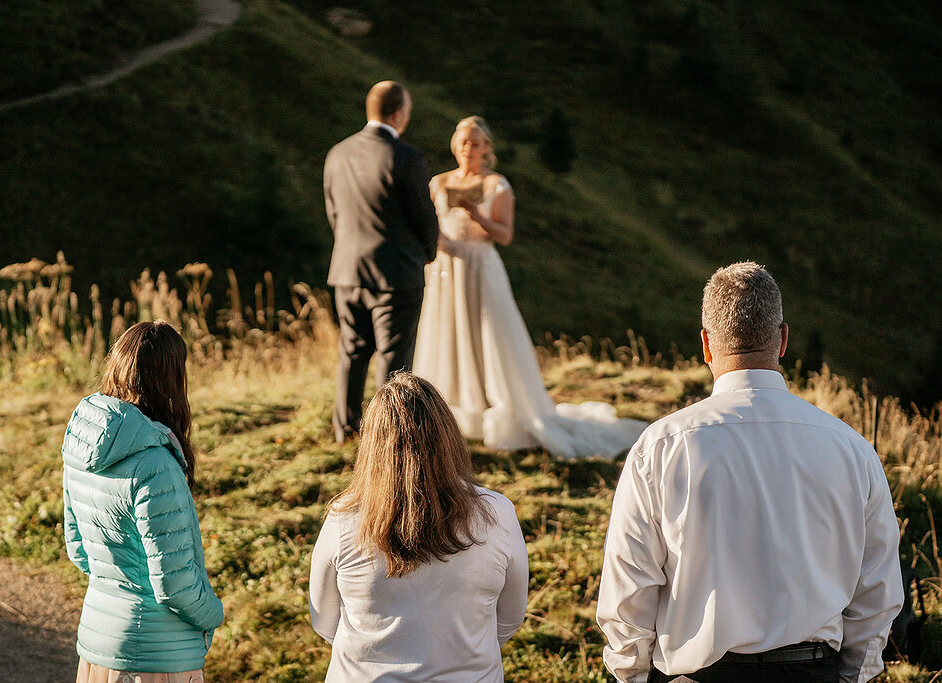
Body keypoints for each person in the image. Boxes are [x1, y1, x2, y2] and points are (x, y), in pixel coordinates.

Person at [595, 262, 903, 683]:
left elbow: (628, 590)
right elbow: (878, 593)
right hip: (813, 673)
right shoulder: (851, 448)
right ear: (783, 340)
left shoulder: (661, 447)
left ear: (706, 345)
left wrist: (630, 676)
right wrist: (852, 677)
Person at [412, 115, 646, 458]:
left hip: (481, 266)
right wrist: (436, 246)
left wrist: (477, 215)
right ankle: (453, 411)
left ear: (486, 148)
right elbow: (430, 223)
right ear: (454, 144)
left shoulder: (497, 185)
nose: (468, 149)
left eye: (475, 143)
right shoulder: (438, 182)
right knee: (448, 336)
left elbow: (505, 235)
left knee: (489, 336)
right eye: (463, 141)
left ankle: (492, 408)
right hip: (447, 268)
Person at [308, 372, 529, 681]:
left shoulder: (343, 519)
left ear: (372, 444)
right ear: (449, 436)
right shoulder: (497, 513)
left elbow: (323, 619)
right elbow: (510, 618)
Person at [62, 321, 224, 683]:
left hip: (98, 644)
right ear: (172, 380)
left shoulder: (82, 446)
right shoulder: (156, 465)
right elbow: (176, 583)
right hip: (155, 659)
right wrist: (214, 613)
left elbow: (78, 551)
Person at [323, 80, 439, 443]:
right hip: (397, 273)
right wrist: (427, 253)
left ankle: (346, 430)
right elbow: (424, 216)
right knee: (394, 358)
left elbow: (334, 212)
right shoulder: (405, 157)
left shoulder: (337, 153)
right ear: (399, 114)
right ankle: (390, 437)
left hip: (347, 269)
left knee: (352, 351)